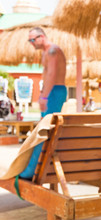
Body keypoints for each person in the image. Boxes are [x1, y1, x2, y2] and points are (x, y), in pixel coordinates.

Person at [19, 27, 67, 179]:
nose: (31, 43)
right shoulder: (47, 52)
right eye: (29, 40)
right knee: (44, 128)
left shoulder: (53, 51)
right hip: (51, 91)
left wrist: (44, 97)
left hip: (54, 91)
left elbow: (52, 74)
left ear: (42, 37)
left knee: (43, 130)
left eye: (33, 40)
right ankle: (36, 166)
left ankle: (32, 170)